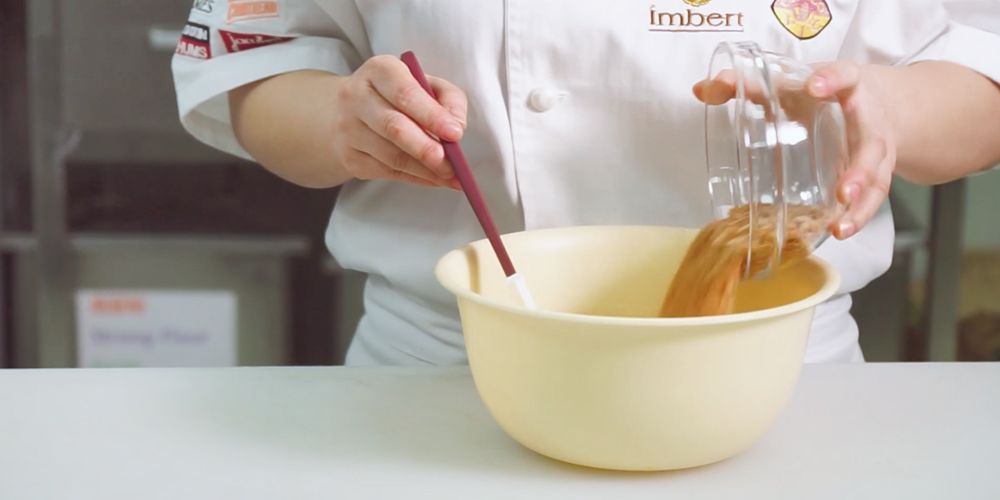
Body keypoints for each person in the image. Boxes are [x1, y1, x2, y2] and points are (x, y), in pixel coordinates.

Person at [173, 0, 1000, 365]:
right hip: (443, 372)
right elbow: (255, 58)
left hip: (775, 379)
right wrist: (342, 121)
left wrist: (887, 108)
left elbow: (983, 66)